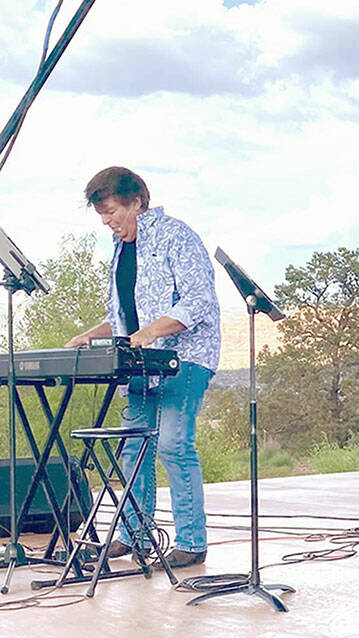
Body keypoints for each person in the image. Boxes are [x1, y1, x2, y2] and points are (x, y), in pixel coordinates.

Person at [66, 167, 221, 569]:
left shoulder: (176, 235)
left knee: (172, 443)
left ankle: (192, 541)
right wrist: (93, 334)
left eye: (113, 211)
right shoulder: (121, 250)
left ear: (136, 202)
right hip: (142, 362)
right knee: (134, 447)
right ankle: (133, 534)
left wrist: (150, 333)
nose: (108, 221)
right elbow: (121, 320)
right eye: (102, 215)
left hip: (183, 358)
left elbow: (199, 301)